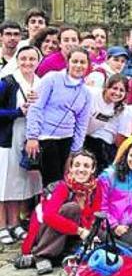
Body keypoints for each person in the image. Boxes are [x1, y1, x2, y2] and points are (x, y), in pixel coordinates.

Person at [17, 151, 103, 274]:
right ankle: (40, 255)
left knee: (101, 236)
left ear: (93, 169)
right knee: (72, 208)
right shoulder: (62, 187)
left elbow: (94, 214)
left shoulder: (95, 189)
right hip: (44, 234)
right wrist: (80, 231)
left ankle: (52, 257)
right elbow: (48, 217)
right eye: (77, 165)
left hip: (70, 234)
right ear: (71, 168)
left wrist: (90, 234)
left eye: (86, 166)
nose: (81, 169)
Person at [26, 48, 92, 185]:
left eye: (82, 62)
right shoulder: (52, 78)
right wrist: (32, 136)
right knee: (52, 182)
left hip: (67, 139)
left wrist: (75, 150)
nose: (78, 65)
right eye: (75, 61)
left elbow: (82, 122)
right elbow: (36, 107)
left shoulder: (86, 92)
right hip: (46, 138)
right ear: (68, 63)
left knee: (65, 181)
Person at [0, 45, 42, 243]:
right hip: (6, 137)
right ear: (17, 61)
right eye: (23, 58)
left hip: (26, 138)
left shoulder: (40, 83)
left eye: (32, 59)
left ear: (38, 61)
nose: (27, 63)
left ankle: (14, 223)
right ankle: (2, 224)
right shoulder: (7, 82)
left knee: (18, 181)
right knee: (2, 182)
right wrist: (18, 111)